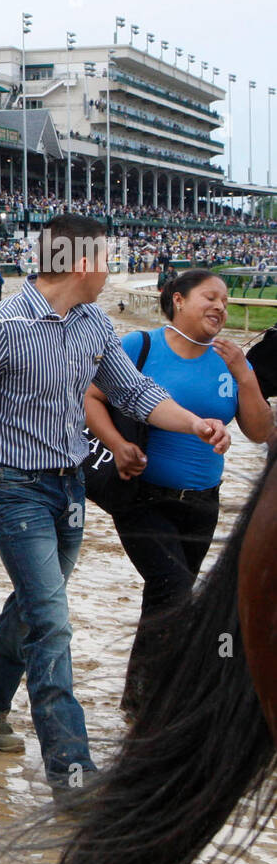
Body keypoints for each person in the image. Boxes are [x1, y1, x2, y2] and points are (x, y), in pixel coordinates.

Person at [0, 215, 231, 797]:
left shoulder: (93, 323)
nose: (111, 271)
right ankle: (72, 773)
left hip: (70, 488)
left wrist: (196, 423)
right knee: (52, 623)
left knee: (34, 607)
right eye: (106, 260)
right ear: (80, 263)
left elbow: (137, 394)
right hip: (10, 485)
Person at [85, 269, 273, 718]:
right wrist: (118, 443)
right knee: (174, 588)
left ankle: (139, 695)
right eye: (210, 297)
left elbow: (261, 430)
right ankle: (157, 701)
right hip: (142, 496)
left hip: (203, 503)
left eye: (226, 302)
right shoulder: (139, 347)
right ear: (178, 300)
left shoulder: (229, 363)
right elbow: (90, 398)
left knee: (167, 594)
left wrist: (246, 376)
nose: (220, 308)